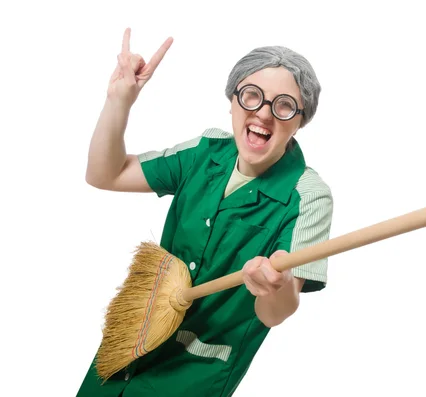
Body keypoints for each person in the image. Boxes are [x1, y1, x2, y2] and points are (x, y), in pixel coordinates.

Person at [77, 28, 333, 396]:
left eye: (283, 105)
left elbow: (275, 312)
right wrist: (119, 101)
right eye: (251, 96)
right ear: (232, 100)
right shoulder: (205, 151)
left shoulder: (307, 195)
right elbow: (105, 174)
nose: (263, 113)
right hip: (128, 350)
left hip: (194, 377)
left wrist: (272, 287)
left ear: (300, 121)